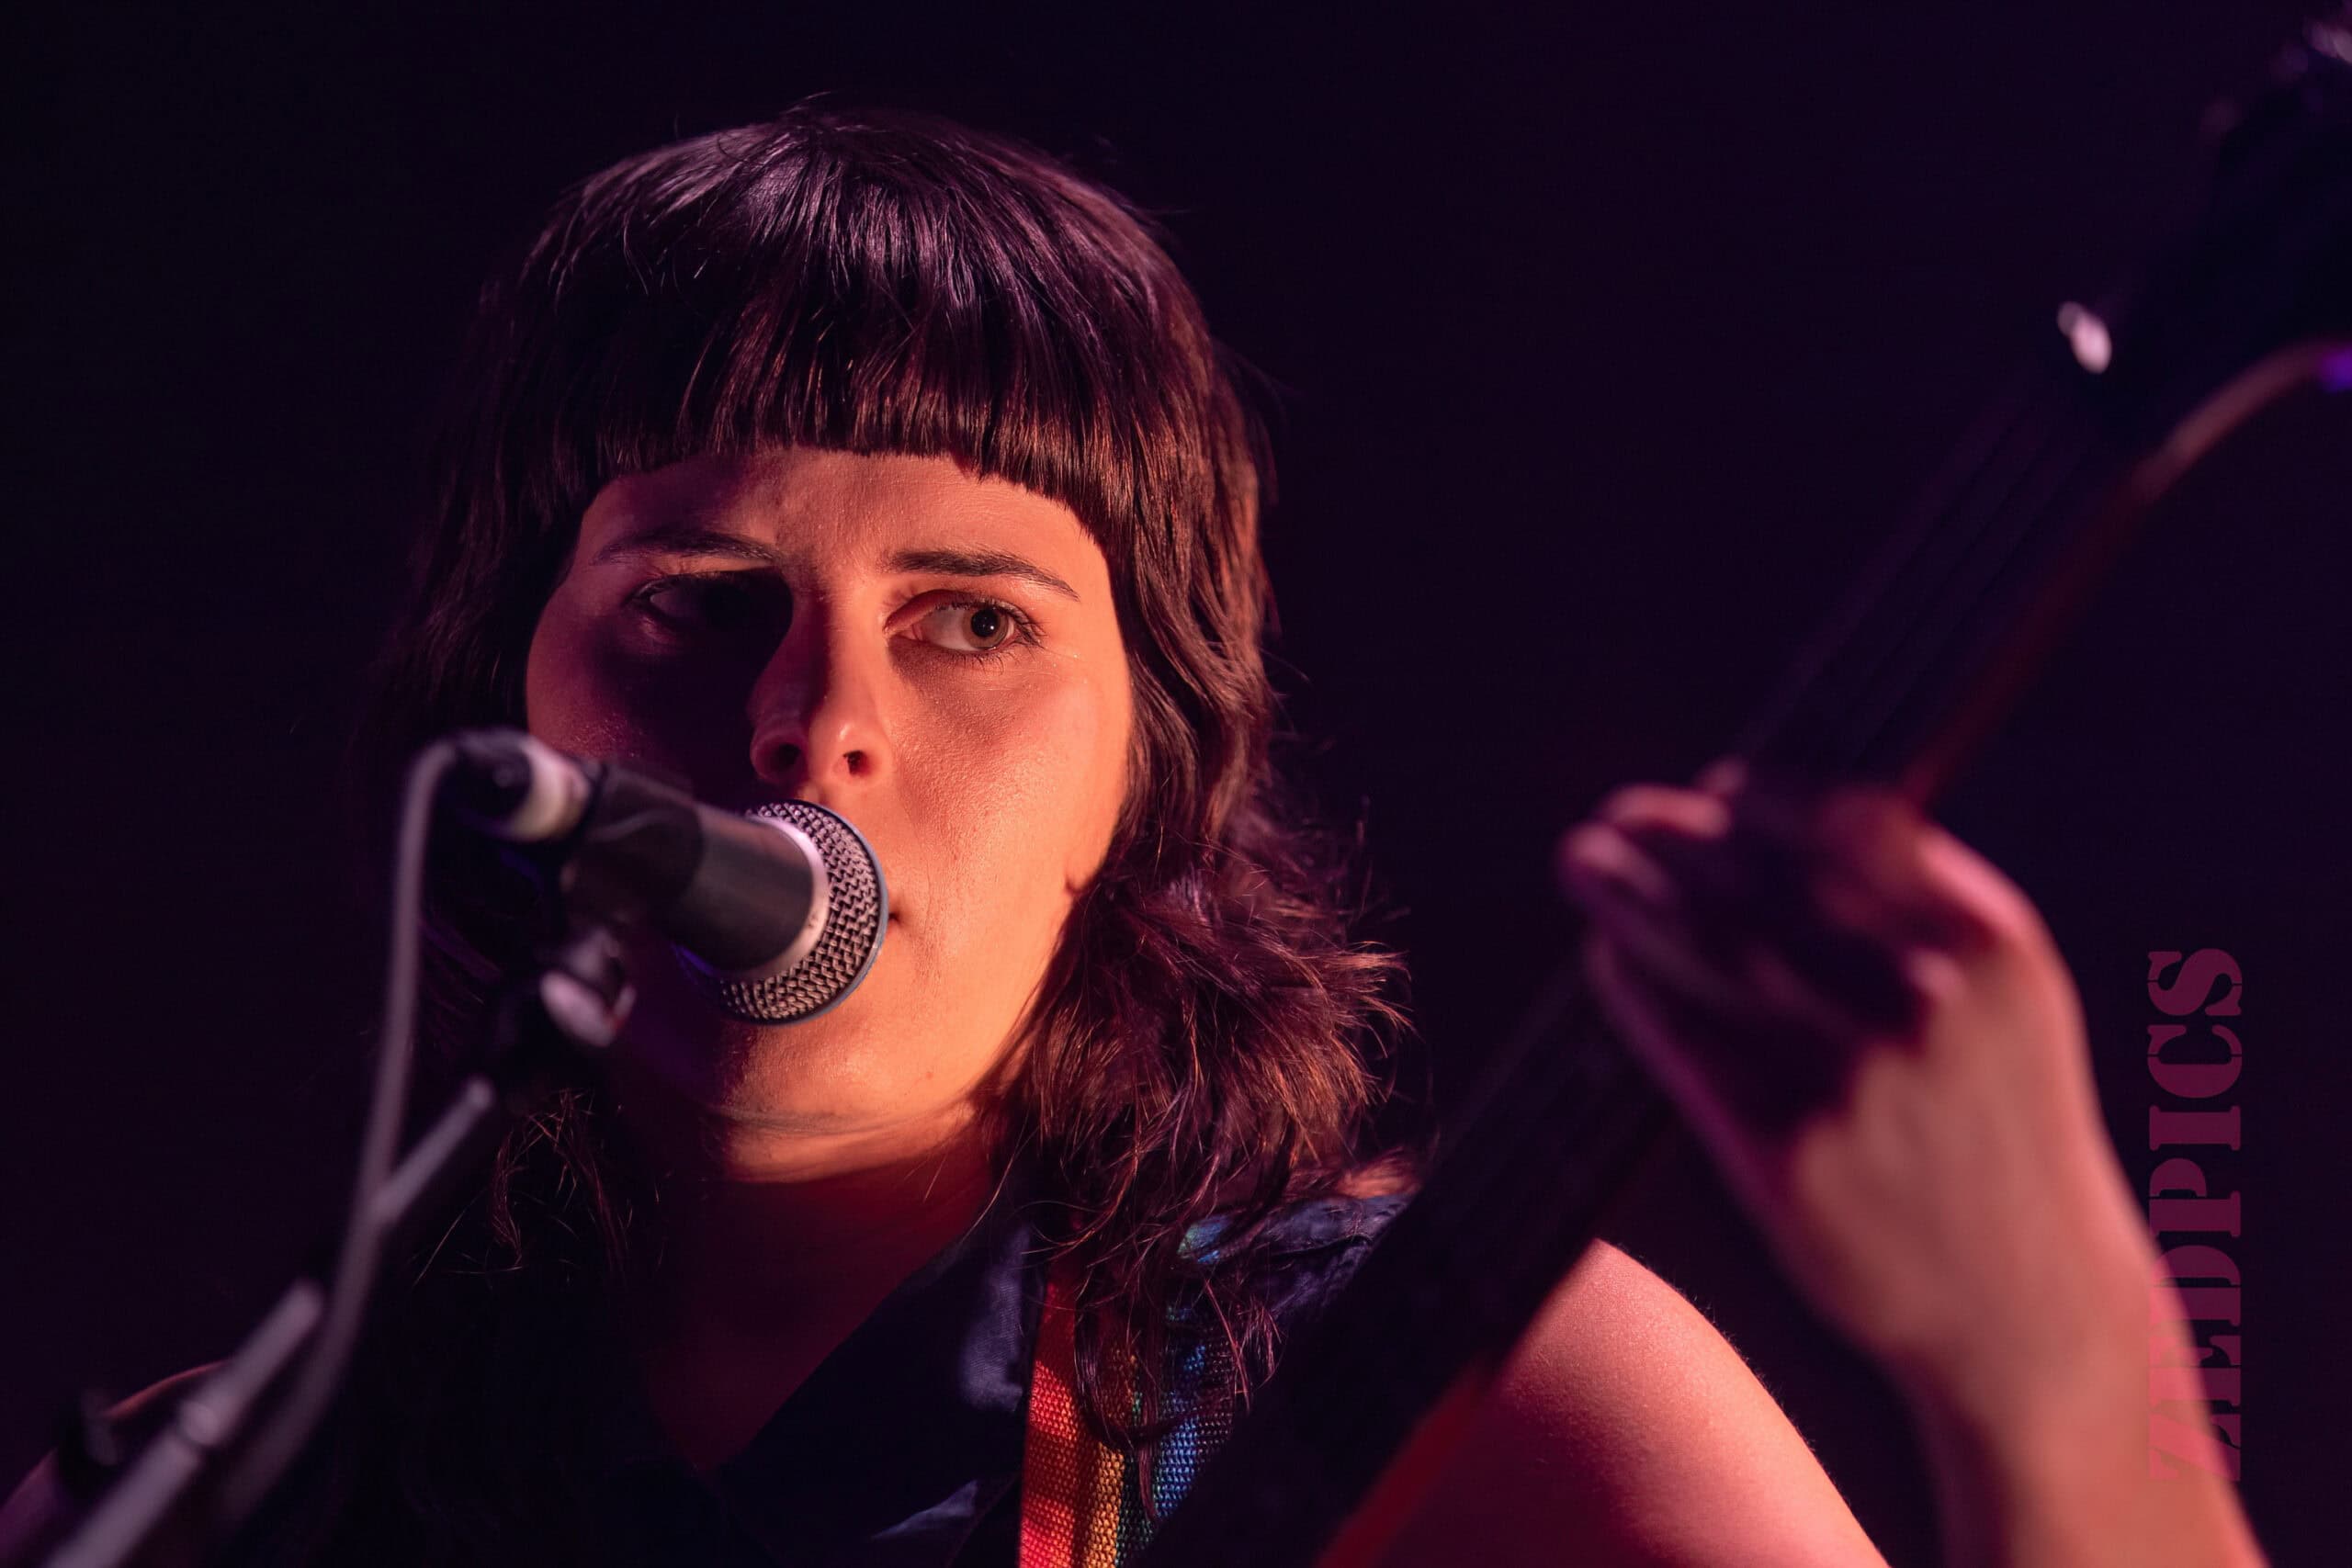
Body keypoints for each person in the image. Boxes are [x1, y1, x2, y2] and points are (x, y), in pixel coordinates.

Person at [2, 104, 2262, 1567]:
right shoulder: (225, 1497)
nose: (811, 721)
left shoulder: (1479, 1386)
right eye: (696, 602)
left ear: (1145, 776)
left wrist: (2060, 1358)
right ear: (512, 710)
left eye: (972, 621)